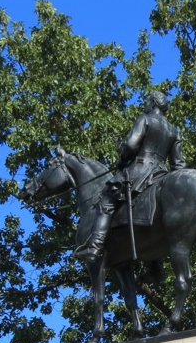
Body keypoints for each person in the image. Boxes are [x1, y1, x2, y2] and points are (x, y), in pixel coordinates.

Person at [74, 91, 186, 262]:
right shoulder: (173, 130)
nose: (144, 105)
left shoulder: (145, 119)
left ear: (154, 103)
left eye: (147, 101)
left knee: (106, 201)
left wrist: (122, 160)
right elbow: (178, 164)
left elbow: (131, 144)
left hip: (140, 170)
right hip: (161, 173)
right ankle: (155, 266)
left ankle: (95, 246)